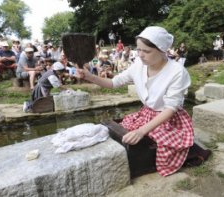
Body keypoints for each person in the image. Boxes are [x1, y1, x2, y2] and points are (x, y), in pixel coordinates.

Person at [77, 26, 195, 177]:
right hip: (147, 113)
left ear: (162, 50)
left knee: (158, 145)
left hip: (168, 118)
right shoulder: (139, 65)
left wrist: (141, 131)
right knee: (123, 130)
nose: (140, 55)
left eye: (146, 51)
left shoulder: (177, 72)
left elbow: (170, 109)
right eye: (138, 50)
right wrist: (90, 77)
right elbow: (114, 83)